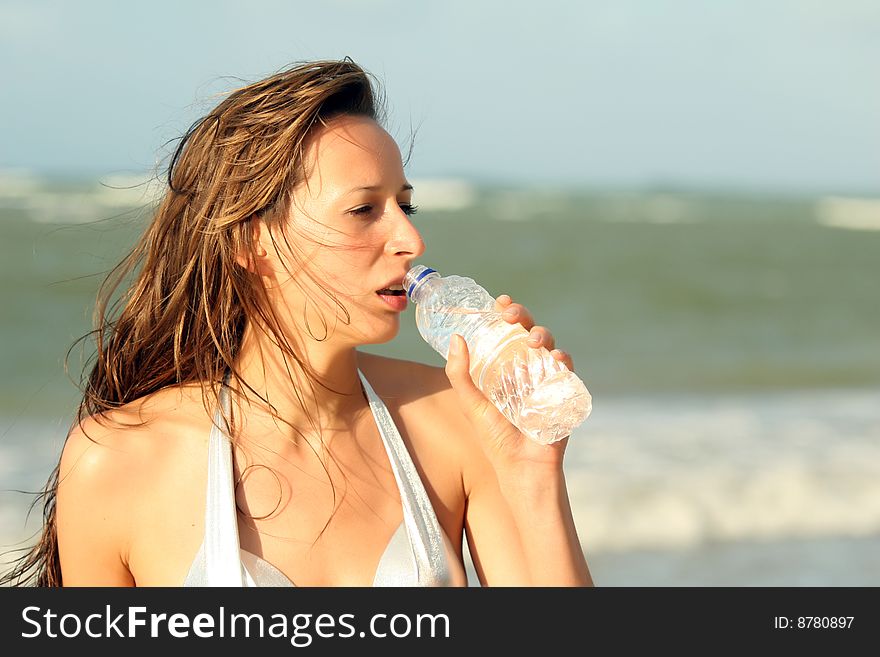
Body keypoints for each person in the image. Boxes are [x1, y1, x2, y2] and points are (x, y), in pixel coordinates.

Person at [3, 59, 593, 587]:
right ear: (252, 238)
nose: (410, 239)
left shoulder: (454, 422)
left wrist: (533, 474)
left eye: (404, 205)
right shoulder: (121, 459)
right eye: (364, 210)